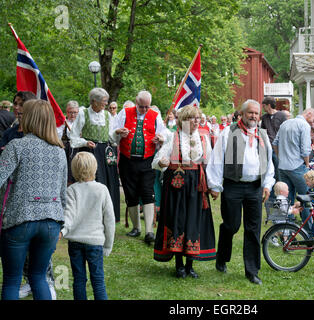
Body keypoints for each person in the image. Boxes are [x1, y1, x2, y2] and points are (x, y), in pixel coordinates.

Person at [0, 99, 67, 300]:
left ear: (28, 118)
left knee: (12, 279)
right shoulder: (60, 151)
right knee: (38, 277)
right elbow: (62, 192)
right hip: (51, 221)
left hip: (20, 219)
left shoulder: (16, 146)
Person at [207, 99, 275, 285]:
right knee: (231, 225)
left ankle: (252, 271)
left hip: (255, 187)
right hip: (233, 185)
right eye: (250, 113)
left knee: (253, 230)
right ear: (242, 114)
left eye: (256, 113)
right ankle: (222, 257)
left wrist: (267, 184)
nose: (253, 116)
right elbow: (217, 158)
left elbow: (269, 162)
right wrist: (214, 185)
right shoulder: (229, 132)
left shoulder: (262, 135)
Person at [152, 105, 216, 278]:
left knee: (193, 222)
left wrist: (212, 186)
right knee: (177, 221)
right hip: (176, 186)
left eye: (197, 118)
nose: (196, 122)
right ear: (183, 120)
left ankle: (190, 265)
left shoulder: (203, 137)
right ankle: (179, 265)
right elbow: (156, 162)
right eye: (191, 118)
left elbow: (209, 164)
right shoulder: (172, 136)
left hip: (196, 184)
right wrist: (162, 163)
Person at [61, 152, 115, 300]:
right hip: (95, 242)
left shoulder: (71, 190)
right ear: (95, 168)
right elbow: (109, 220)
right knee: (98, 281)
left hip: (75, 242)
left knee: (79, 280)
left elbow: (68, 215)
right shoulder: (102, 189)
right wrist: (108, 245)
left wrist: (63, 231)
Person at [113, 90, 166, 242]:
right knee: (131, 193)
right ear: (136, 103)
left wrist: (160, 139)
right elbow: (112, 130)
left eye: (147, 107)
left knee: (148, 192)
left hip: (147, 161)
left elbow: (164, 134)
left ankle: (149, 231)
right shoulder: (125, 112)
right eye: (141, 106)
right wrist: (118, 132)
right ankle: (136, 227)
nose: (144, 109)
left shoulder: (155, 115)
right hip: (127, 160)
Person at [69, 88, 121, 222]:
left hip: (105, 153)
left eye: (106, 101)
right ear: (94, 101)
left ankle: (106, 216)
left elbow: (111, 137)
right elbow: (73, 137)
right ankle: (88, 216)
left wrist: (118, 133)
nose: (106, 104)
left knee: (107, 184)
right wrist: (85, 142)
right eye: (103, 101)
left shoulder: (108, 116)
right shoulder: (83, 113)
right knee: (89, 184)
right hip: (89, 152)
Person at [272, 108, 314, 233]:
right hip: (297, 167)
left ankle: (285, 231)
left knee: (286, 200)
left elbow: (275, 143)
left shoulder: (285, 123)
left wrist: (280, 157)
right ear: (308, 114)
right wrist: (308, 165)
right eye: (313, 120)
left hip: (283, 167)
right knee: (306, 199)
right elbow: (305, 150)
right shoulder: (304, 125)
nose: (313, 123)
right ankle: (309, 231)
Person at [57, 101, 80, 185]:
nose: (73, 115)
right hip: (66, 151)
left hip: (78, 151)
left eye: (75, 112)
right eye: (70, 112)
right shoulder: (62, 123)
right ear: (67, 112)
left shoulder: (81, 123)